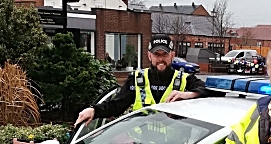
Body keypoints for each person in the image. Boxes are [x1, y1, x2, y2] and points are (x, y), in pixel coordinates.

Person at [75, 34, 209, 127]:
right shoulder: (137, 79)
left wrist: (189, 94)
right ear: (149, 56)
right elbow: (116, 105)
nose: (160, 59)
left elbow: (212, 92)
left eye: (165, 54)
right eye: (156, 54)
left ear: (172, 55)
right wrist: (94, 110)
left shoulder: (185, 79)